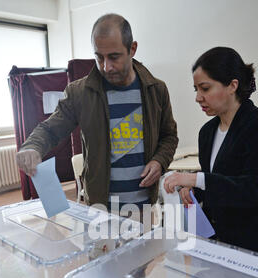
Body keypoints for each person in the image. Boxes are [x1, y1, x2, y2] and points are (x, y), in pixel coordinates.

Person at [16, 13, 178, 214]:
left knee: (142, 246)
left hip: (143, 205)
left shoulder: (156, 89)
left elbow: (169, 136)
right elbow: (50, 130)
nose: (106, 67)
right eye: (99, 57)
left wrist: (159, 161)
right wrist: (32, 147)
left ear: (132, 49)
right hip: (101, 207)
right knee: (102, 246)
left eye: (114, 57)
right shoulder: (80, 92)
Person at [164, 46, 258, 261]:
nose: (197, 97)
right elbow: (221, 182)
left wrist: (197, 179)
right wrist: (194, 191)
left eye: (205, 88)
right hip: (227, 243)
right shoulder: (207, 132)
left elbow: (257, 188)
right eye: (196, 89)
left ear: (233, 85)